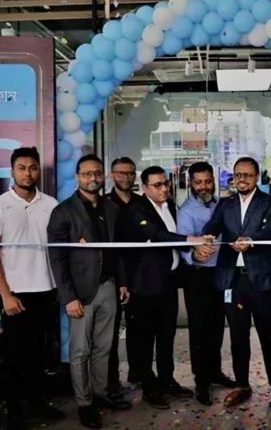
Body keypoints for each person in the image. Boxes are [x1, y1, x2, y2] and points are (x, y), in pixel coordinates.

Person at [0, 147, 65, 429]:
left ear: (38, 170)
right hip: (14, 294)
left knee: (39, 354)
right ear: (12, 170)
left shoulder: (51, 204)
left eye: (32, 167)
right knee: (14, 357)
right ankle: (14, 412)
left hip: (46, 290)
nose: (27, 173)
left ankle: (37, 403)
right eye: (21, 167)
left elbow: (59, 247)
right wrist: (6, 294)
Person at [47, 155, 130, 429]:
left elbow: (119, 251)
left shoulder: (111, 208)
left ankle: (100, 393)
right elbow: (57, 258)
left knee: (104, 347)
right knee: (80, 350)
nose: (92, 178)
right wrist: (68, 297)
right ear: (77, 177)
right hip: (80, 293)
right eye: (86, 174)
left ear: (103, 175)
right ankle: (84, 404)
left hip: (109, 286)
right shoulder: (63, 211)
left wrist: (122, 282)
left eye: (96, 173)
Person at [118, 166, 211, 409]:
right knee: (145, 339)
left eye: (165, 184)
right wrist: (192, 241)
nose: (163, 189)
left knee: (167, 335)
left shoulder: (170, 205)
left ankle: (167, 380)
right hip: (145, 286)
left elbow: (172, 237)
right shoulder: (136, 209)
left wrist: (192, 249)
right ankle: (150, 387)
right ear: (145, 187)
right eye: (157, 185)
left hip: (168, 283)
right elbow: (157, 235)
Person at [202, 156, 271, 409]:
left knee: (267, 333)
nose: (242, 179)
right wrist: (207, 235)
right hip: (231, 280)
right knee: (238, 335)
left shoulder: (269, 202)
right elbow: (213, 224)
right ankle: (242, 385)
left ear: (257, 177)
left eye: (247, 175)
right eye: (238, 175)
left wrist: (251, 240)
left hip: (260, 279)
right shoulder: (225, 203)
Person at [176, 162, 236, 406]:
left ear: (214, 181)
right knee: (199, 329)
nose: (204, 186)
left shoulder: (222, 205)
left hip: (220, 274)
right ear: (191, 184)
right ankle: (201, 380)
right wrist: (194, 254)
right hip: (197, 277)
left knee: (217, 325)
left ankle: (215, 372)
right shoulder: (186, 211)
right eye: (198, 182)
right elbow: (182, 244)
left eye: (208, 181)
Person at [104, 156, 140, 393]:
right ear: (111, 175)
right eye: (121, 173)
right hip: (114, 275)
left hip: (140, 274)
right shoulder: (105, 204)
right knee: (111, 332)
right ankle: (111, 381)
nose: (126, 177)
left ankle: (138, 373)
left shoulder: (142, 202)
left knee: (138, 329)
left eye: (130, 173)